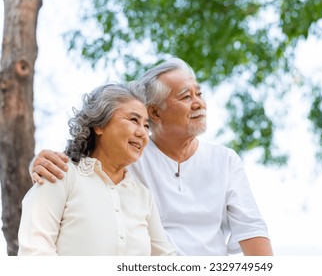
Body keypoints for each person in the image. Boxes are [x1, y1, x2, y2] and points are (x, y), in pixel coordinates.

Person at [30, 58, 274, 256]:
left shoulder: (225, 160)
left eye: (199, 94)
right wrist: (40, 163)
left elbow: (251, 228)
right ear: (156, 112)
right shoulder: (131, 154)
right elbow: (84, 163)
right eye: (186, 96)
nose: (199, 103)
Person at [19, 82, 176, 256]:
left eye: (146, 126)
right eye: (133, 120)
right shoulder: (59, 173)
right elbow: (34, 252)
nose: (142, 133)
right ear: (99, 125)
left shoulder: (144, 197)